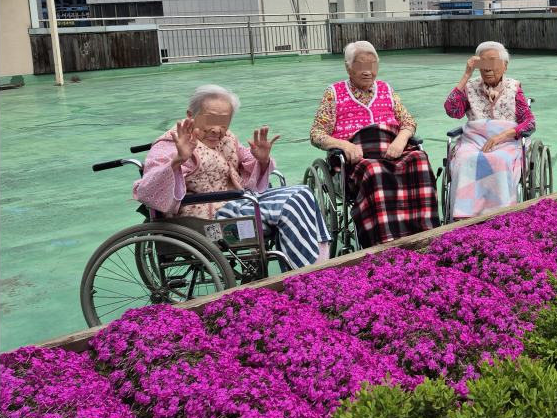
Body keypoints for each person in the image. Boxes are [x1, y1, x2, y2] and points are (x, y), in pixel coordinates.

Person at [133, 85, 330, 270]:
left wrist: (262, 160)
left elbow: (247, 164)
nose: (216, 129)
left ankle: (321, 265)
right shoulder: (170, 144)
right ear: (191, 115)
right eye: (210, 120)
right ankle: (305, 275)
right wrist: (177, 161)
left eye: (223, 122)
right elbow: (148, 191)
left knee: (303, 192)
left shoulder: (227, 139)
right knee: (289, 206)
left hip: (235, 203)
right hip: (205, 221)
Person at [310, 41, 439, 246]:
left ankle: (425, 233)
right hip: (356, 157)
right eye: (361, 65)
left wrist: (401, 140)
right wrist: (345, 145)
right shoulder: (333, 93)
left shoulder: (386, 89)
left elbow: (408, 122)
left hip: (391, 148)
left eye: (372, 65)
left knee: (419, 159)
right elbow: (316, 133)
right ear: (348, 67)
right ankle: (385, 241)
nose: (367, 71)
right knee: (374, 170)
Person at [443, 41, 536, 219]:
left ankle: (500, 214)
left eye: (492, 62)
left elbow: (530, 122)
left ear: (505, 65)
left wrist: (501, 136)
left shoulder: (514, 88)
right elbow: (452, 110)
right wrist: (466, 75)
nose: (487, 68)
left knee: (499, 160)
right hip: (474, 141)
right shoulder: (469, 87)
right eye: (483, 63)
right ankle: (464, 215)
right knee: (464, 160)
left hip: (506, 141)